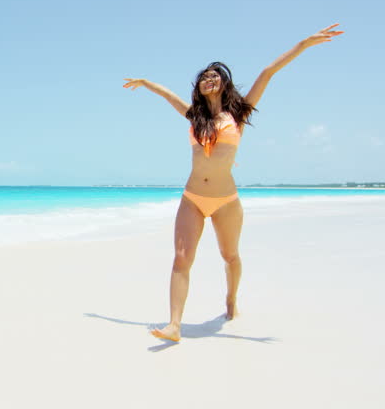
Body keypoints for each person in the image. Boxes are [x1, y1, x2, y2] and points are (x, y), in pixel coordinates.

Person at [123, 24, 344, 342]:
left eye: (215, 75)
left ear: (224, 83)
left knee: (230, 257)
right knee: (182, 258)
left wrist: (304, 44)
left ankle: (231, 300)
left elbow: (269, 72)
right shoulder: (194, 117)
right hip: (193, 198)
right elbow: (167, 95)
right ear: (198, 87)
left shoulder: (237, 114)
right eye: (203, 76)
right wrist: (145, 83)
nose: (208, 79)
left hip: (226, 200)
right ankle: (174, 324)